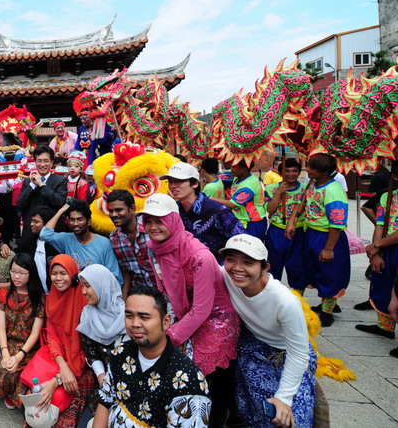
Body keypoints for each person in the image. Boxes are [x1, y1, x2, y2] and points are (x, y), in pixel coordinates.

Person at [139, 193, 240, 427]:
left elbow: (203, 310)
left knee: (199, 370)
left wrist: (170, 336)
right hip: (186, 312)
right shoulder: (156, 247)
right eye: (148, 221)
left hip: (217, 318)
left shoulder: (199, 257)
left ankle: (215, 419)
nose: (153, 227)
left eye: (159, 220)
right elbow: (164, 290)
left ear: (174, 220)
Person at [220, 235, 317, 428]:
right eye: (231, 260)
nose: (237, 268)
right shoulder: (226, 275)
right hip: (252, 344)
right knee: (256, 407)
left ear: (265, 267)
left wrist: (284, 398)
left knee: (291, 419)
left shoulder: (285, 301)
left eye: (248, 262)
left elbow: (299, 353)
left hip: (287, 353)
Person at [92, 285, 212, 428]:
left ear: (166, 321)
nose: (135, 324)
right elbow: (105, 401)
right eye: (129, 316)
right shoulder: (120, 353)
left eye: (144, 317)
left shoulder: (188, 380)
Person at [286, 153, 350, 327]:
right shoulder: (313, 183)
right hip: (310, 233)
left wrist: (329, 248)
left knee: (330, 272)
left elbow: (337, 223)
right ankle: (308, 304)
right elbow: (302, 202)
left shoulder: (334, 190)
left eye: (313, 167)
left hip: (327, 236)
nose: (308, 169)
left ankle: (327, 311)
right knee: (308, 268)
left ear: (325, 171)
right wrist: (292, 221)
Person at [31, 254, 94, 427]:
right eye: (54, 273)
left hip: (82, 363)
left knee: (61, 407)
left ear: (73, 274)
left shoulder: (85, 300)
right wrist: (62, 366)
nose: (58, 278)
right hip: (59, 358)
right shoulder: (51, 297)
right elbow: (51, 335)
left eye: (63, 273)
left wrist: (56, 380)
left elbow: (87, 347)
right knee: (37, 395)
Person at [0, 253, 46, 409]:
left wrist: (20, 355)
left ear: (31, 273)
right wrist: (5, 353)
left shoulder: (39, 299)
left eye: (22, 273)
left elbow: (35, 333)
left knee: (26, 384)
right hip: (8, 344)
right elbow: (1, 328)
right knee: (4, 374)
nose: (16, 276)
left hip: (29, 348)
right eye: (13, 271)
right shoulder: (4, 294)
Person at [164, 161, 244, 261]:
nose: (173, 186)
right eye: (170, 181)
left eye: (179, 181)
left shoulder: (217, 210)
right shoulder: (174, 210)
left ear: (195, 184)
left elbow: (241, 240)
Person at [358, 163, 398, 340]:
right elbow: (380, 225)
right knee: (383, 283)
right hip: (388, 248)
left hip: (388, 244)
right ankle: (385, 327)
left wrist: (377, 245)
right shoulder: (387, 197)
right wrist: (376, 253)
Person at [40, 201, 123, 286]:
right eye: (72, 220)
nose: (75, 224)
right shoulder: (65, 239)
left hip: (96, 294)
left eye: (80, 219)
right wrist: (61, 211)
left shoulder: (104, 243)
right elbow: (44, 234)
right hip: (74, 294)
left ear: (89, 222)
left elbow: (116, 277)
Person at [77, 264, 126, 396]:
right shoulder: (87, 316)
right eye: (82, 286)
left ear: (102, 286)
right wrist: (101, 377)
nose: (83, 292)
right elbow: (92, 354)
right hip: (104, 381)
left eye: (87, 285)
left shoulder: (128, 315)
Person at [264, 158, 307, 286]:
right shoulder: (271, 188)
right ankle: (272, 297)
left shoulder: (306, 190)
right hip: (276, 231)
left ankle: (297, 299)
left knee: (297, 268)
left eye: (294, 171)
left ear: (299, 172)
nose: (291, 174)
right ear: (281, 173)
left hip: (298, 232)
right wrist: (278, 193)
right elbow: (269, 209)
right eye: (287, 171)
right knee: (273, 266)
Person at [17, 145, 68, 250]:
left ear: (52, 162)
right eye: (39, 161)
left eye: (46, 161)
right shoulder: (27, 182)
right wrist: (32, 185)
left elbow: (60, 202)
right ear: (35, 162)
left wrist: (42, 185)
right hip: (31, 231)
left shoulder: (60, 180)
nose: (42, 164)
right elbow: (20, 203)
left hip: (52, 231)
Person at [105, 190, 155, 297]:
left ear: (132, 209)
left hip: (166, 292)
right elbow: (126, 272)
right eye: (111, 211)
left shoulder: (152, 228)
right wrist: (124, 300)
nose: (113, 215)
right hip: (140, 294)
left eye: (118, 210)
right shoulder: (114, 239)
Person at [214, 160, 268, 239]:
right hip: (242, 221)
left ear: (244, 169)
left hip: (253, 224)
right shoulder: (237, 176)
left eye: (234, 167)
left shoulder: (249, 185)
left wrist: (210, 198)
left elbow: (233, 204)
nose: (231, 169)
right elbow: (218, 176)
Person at [28, 206, 60, 293]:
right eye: (32, 221)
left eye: (36, 222)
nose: (32, 224)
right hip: (38, 294)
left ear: (47, 224)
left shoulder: (56, 244)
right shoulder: (30, 242)